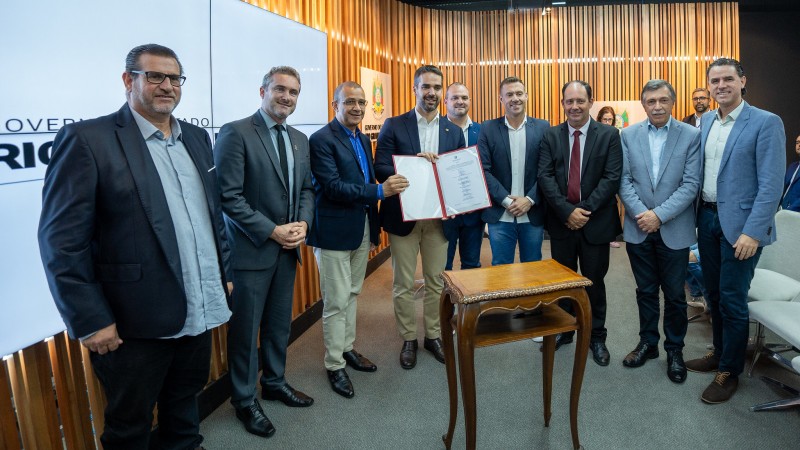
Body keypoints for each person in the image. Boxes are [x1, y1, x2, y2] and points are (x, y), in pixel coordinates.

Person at [38, 44, 231, 449]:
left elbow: (213, 217)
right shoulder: (88, 139)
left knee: (184, 411)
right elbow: (61, 240)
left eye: (174, 78)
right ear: (129, 81)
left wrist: (223, 274)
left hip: (197, 310)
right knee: (130, 428)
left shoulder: (196, 137)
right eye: (155, 76)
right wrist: (89, 318)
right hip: (132, 323)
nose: (167, 86)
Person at [215, 66, 315, 437]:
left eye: (293, 92)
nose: (286, 97)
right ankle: (244, 400)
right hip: (251, 252)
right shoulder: (236, 132)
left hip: (287, 250)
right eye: (280, 90)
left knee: (277, 326)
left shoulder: (299, 139)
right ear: (263, 91)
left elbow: (306, 190)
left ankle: (274, 382)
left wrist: (303, 224)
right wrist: (271, 230)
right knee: (245, 331)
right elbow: (229, 197)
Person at [685, 58, 785, 404]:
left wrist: (753, 233)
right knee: (712, 294)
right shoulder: (706, 121)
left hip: (742, 229)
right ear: (708, 86)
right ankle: (720, 352)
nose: (721, 85)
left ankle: (729, 370)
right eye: (714, 81)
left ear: (743, 81)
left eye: (728, 79)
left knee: (731, 298)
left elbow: (771, 185)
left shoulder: (766, 122)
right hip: (708, 220)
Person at [307, 81, 408, 398]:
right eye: (350, 102)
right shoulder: (321, 139)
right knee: (336, 301)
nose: (358, 108)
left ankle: (346, 349)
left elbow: (364, 181)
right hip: (334, 231)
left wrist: (374, 227)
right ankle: (334, 364)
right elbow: (334, 187)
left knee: (351, 294)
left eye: (362, 103)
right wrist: (380, 191)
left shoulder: (363, 138)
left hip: (361, 228)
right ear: (334, 104)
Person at [374, 65, 465, 369]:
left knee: (437, 281)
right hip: (404, 217)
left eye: (437, 88)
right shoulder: (394, 124)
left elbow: (457, 174)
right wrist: (415, 165)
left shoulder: (454, 131)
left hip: (439, 220)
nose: (432, 93)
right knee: (402, 282)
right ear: (414, 89)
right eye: (426, 87)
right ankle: (409, 337)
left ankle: (433, 335)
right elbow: (380, 167)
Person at [618, 79, 701, 383]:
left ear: (672, 102)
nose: (657, 106)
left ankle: (675, 350)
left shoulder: (691, 135)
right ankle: (648, 344)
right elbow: (623, 181)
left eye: (663, 100)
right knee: (645, 292)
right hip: (639, 228)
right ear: (643, 104)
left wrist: (659, 216)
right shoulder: (627, 135)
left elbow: (691, 184)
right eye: (651, 101)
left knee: (676, 296)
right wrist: (644, 215)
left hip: (674, 229)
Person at [538, 80, 623, 367]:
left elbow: (611, 178)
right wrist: (567, 212)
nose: (574, 106)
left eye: (580, 101)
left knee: (593, 283)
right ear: (562, 103)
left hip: (596, 223)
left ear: (591, 101)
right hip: (562, 223)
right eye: (569, 101)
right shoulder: (551, 136)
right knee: (563, 282)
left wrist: (582, 211)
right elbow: (545, 178)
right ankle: (566, 330)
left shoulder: (609, 135)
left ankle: (597, 336)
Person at [478, 76, 549, 265]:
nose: (515, 98)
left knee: (533, 268)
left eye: (519, 93)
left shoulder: (544, 127)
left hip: (532, 212)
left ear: (526, 96)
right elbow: (483, 170)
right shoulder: (487, 128)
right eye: (509, 94)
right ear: (501, 99)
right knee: (501, 270)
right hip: (500, 214)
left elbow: (547, 171)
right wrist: (508, 201)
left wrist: (530, 200)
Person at [442, 82, 483, 270]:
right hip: (445, 213)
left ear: (470, 101)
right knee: (443, 267)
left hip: (474, 212)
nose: (460, 101)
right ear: (445, 101)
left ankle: (470, 301)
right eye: (455, 98)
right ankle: (445, 301)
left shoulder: (483, 131)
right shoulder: (436, 130)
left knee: (472, 265)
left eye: (464, 98)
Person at [596, 106, 624, 248]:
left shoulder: (615, 134)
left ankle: (611, 237)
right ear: (599, 119)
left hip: (611, 178)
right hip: (596, 180)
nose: (607, 122)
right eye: (605, 119)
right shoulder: (594, 134)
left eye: (610, 120)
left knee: (611, 207)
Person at [781, 134, 800, 211]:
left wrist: (788, 211)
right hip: (780, 211)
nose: (799, 145)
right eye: (797, 142)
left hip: (795, 215)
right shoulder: (792, 166)